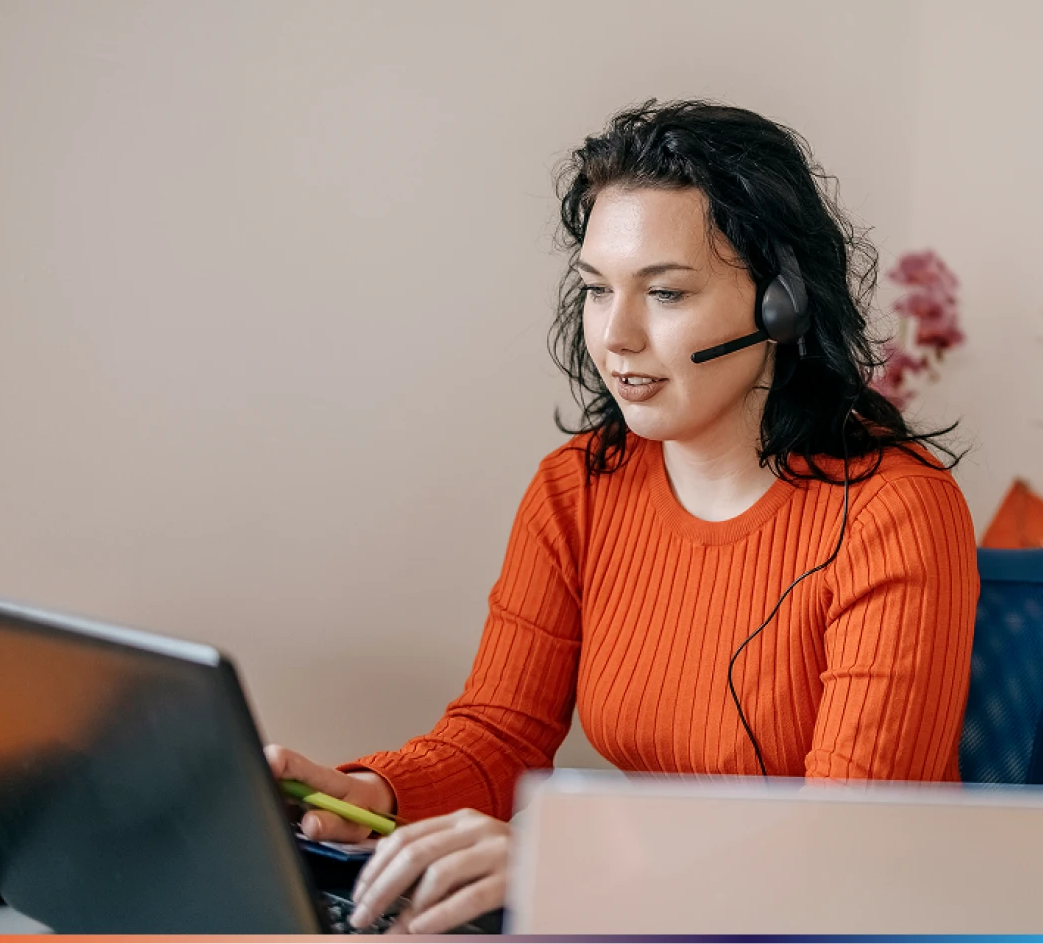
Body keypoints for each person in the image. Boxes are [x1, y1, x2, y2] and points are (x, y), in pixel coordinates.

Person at [266, 99, 980, 934]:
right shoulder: (579, 487)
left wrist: (573, 864)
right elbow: (500, 732)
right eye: (596, 291)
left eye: (665, 293)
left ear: (781, 303)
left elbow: (840, 840)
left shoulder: (896, 512)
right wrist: (374, 793)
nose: (617, 337)